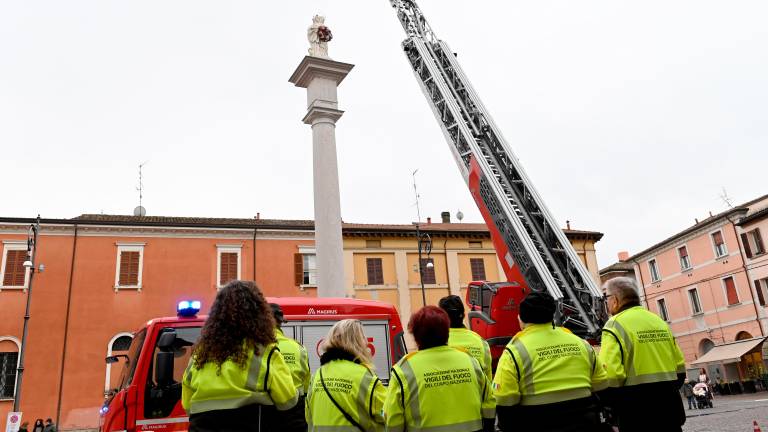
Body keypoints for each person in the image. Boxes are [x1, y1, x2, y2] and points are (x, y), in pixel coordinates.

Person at [182, 280, 298, 431]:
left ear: (216, 316)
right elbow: (288, 401)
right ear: (259, 314)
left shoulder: (199, 355)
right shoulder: (264, 352)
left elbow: (187, 404)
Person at [493, 291, 607, 432]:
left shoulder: (514, 350)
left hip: (538, 423)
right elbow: (602, 384)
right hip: (586, 422)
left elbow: (504, 399)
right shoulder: (581, 343)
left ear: (520, 319)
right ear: (552, 315)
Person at [384, 306, 495, 432]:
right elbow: (489, 401)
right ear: (447, 331)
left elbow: (393, 421)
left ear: (416, 336)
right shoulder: (470, 361)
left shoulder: (404, 370)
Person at [598, 277, 686, 432]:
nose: (606, 303)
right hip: (670, 407)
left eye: (607, 298)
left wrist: (612, 405)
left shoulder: (614, 325)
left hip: (636, 412)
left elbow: (611, 375)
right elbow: (679, 367)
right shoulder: (658, 321)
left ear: (615, 300)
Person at [305, 319, 386, 431]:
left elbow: (308, 416)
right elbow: (386, 414)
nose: (366, 342)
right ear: (356, 342)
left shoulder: (317, 375)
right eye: (363, 337)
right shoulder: (365, 377)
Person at [266, 303, 310, 432]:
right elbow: (306, 384)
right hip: (295, 411)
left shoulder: (258, 346)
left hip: (267, 410)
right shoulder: (298, 347)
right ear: (281, 322)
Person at [439, 294, 493, 381]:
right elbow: (488, 379)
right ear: (464, 315)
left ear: (441, 318)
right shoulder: (481, 341)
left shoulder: (436, 343)